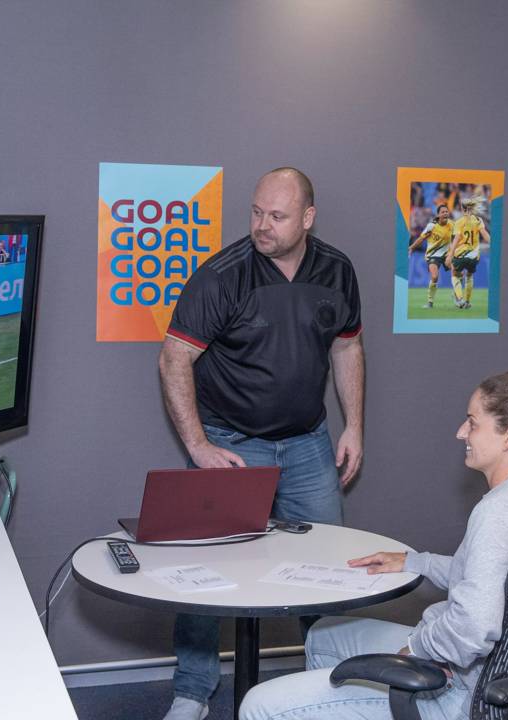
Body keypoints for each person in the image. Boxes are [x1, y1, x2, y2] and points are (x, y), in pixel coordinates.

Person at [240, 369, 508, 720]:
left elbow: (475, 625)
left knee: (257, 704)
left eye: (473, 423)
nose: (461, 432)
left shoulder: (498, 512)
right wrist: (414, 561)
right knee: (323, 635)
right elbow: (495, 582)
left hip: (461, 693)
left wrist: (417, 649)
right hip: (495, 679)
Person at [158, 167, 365, 720]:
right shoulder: (223, 275)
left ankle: (330, 685)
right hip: (232, 443)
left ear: (308, 218)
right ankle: (192, 693)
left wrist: (355, 425)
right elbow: (174, 358)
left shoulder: (337, 270)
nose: (262, 226)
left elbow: (347, 349)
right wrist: (199, 446)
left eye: (277, 216)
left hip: (307, 446)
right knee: (208, 574)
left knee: (328, 569)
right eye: (256, 213)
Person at [445, 196, 491, 309]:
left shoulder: (459, 222)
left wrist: (450, 255)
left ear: (462, 208)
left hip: (461, 254)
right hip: (474, 255)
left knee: (455, 274)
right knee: (469, 276)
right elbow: (484, 234)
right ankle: (467, 301)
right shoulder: (478, 220)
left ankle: (459, 299)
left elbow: (456, 239)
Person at [408, 204, 455, 308]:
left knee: (458, 271)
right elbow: (421, 238)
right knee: (434, 276)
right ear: (438, 215)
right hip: (433, 254)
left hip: (446, 254)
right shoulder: (431, 226)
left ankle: (456, 295)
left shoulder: (452, 224)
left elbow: (458, 237)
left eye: (447, 211)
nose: (445, 213)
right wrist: (412, 247)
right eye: (443, 212)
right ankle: (430, 302)